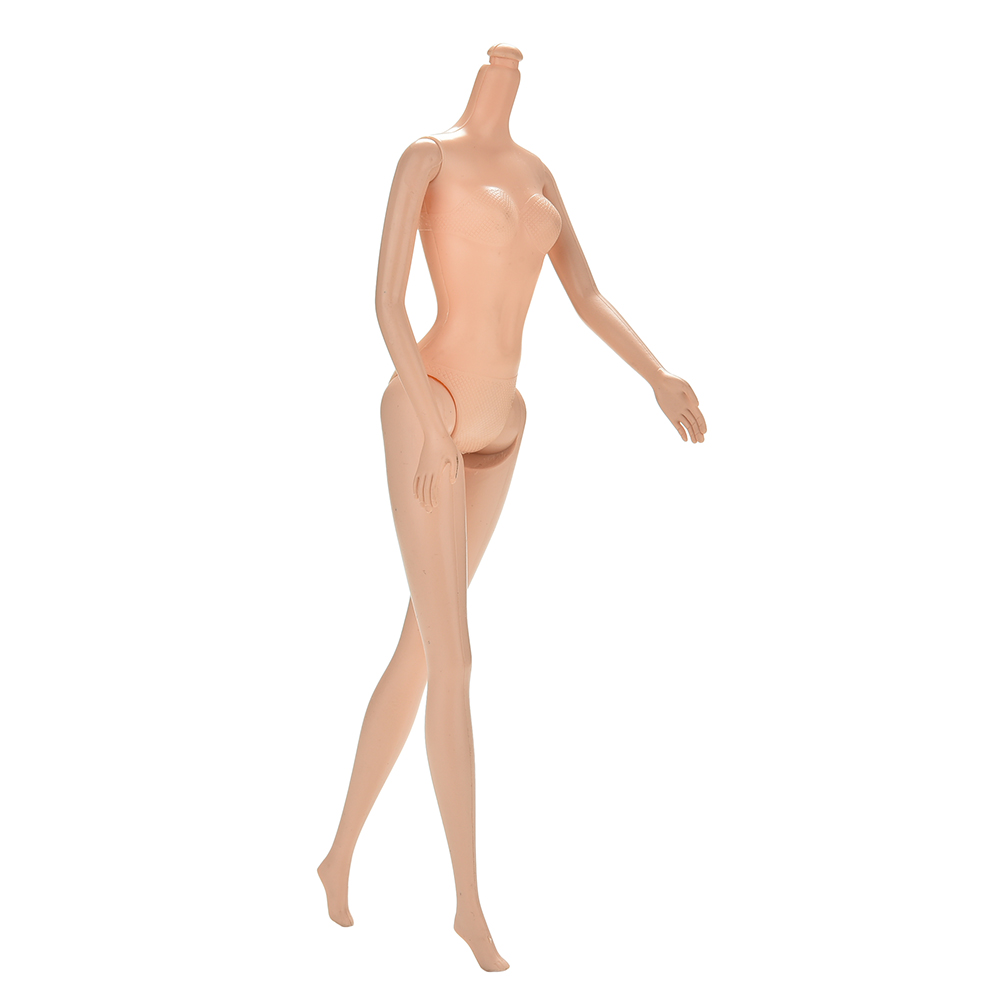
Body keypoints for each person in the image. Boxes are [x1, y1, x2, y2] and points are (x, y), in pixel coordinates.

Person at [318, 43, 707, 972]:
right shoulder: (425, 156)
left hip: (502, 425)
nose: (511, 63)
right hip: (433, 412)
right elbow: (383, 302)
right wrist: (425, 421)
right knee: (453, 655)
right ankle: (468, 906)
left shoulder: (537, 172)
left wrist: (657, 374)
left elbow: (586, 292)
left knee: (423, 649)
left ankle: (336, 858)